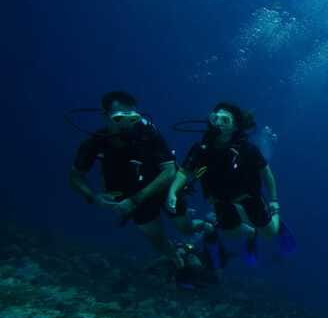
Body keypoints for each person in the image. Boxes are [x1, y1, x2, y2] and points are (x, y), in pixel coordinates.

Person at [69, 91, 202, 269]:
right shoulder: (94, 143)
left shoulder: (148, 133)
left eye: (132, 118)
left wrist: (135, 200)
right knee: (157, 240)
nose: (126, 125)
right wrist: (93, 197)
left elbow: (169, 171)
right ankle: (175, 255)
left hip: (160, 189)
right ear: (105, 116)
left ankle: (204, 225)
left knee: (185, 228)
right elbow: (75, 176)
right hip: (131, 197)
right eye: (119, 118)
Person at [167, 102, 280, 265]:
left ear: (235, 127)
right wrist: (172, 191)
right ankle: (251, 233)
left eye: (225, 120)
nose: (218, 122)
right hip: (220, 200)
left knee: (270, 234)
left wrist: (274, 201)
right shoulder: (200, 149)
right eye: (215, 118)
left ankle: (275, 217)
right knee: (230, 232)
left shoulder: (248, 149)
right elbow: (184, 171)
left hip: (248, 197)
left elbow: (266, 173)